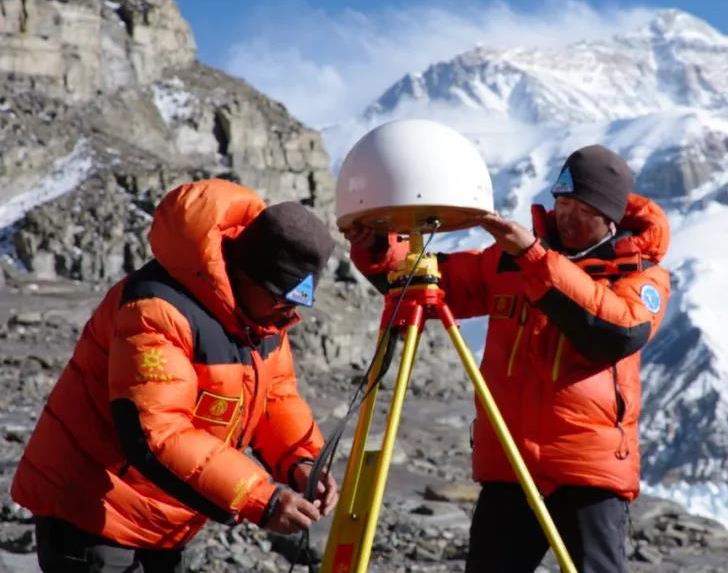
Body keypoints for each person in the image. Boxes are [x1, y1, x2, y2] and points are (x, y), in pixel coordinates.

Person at [346, 145, 671, 572]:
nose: (566, 217)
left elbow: (614, 333)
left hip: (589, 472)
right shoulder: (507, 261)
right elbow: (438, 282)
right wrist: (381, 249)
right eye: (563, 203)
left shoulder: (640, 275)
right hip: (509, 465)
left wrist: (535, 257)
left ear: (608, 216)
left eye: (581, 207)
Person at [12, 179, 341, 572]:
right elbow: (159, 432)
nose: (286, 314)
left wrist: (301, 461)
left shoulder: (263, 319)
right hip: (93, 514)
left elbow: (276, 397)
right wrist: (260, 498)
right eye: (279, 298)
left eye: (295, 303)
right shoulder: (157, 308)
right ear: (245, 272)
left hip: (161, 517)